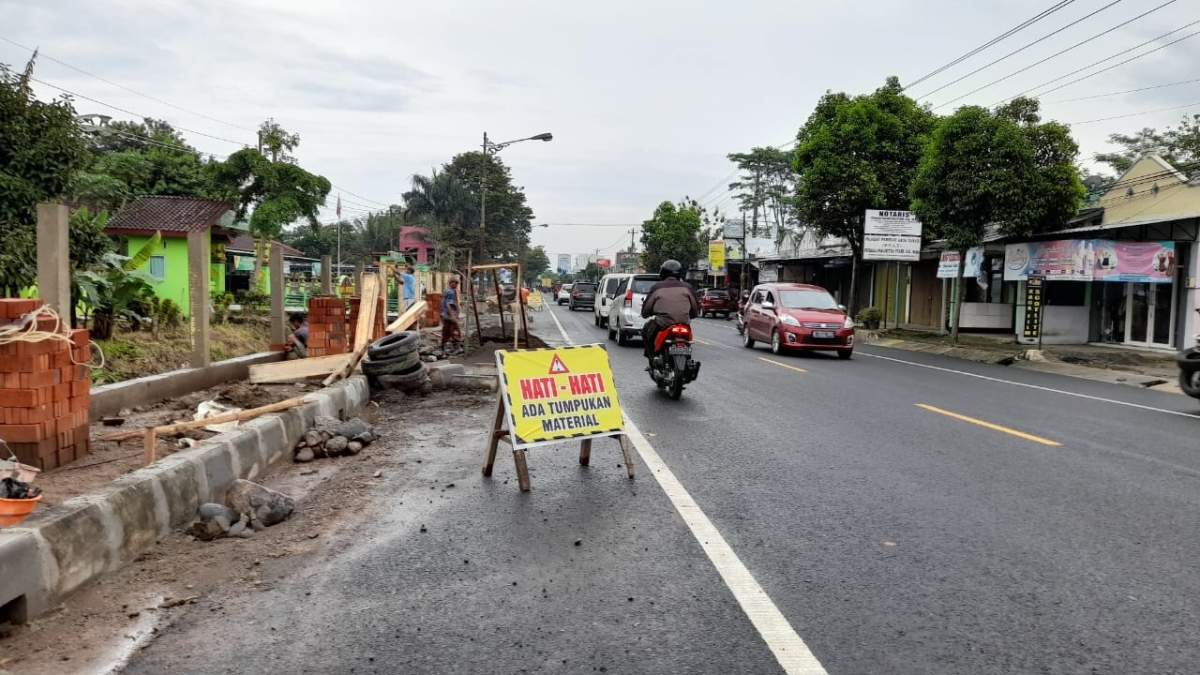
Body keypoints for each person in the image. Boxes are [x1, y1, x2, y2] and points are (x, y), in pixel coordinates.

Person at [640, 259, 700, 358]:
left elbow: (646, 310)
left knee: (646, 330)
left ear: (662, 273)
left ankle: (652, 358)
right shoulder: (688, 287)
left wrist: (647, 313)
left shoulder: (657, 287)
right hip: (684, 323)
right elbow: (695, 310)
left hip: (663, 323)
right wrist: (690, 315)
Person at [441, 277, 462, 349]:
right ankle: (455, 344)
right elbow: (449, 304)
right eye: (454, 283)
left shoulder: (448, 291)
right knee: (453, 329)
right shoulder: (450, 292)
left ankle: (444, 344)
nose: (456, 284)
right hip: (449, 315)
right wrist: (453, 316)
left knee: (447, 330)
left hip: (446, 314)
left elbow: (444, 302)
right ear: (450, 283)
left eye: (457, 283)